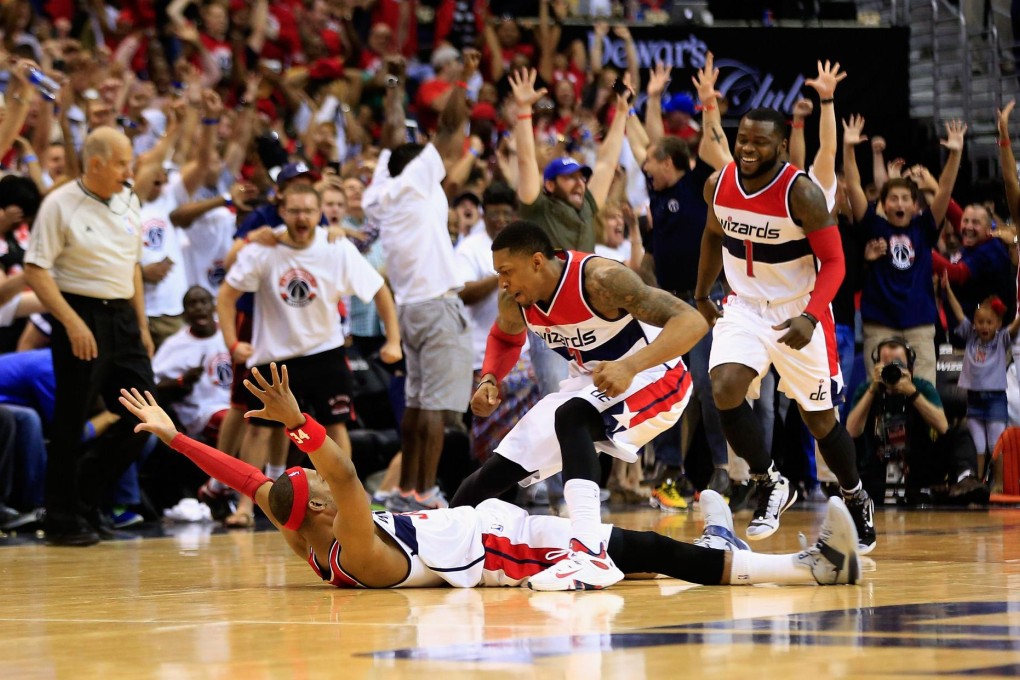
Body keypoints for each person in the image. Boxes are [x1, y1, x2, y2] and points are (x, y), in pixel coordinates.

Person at [117, 367, 862, 590]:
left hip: (485, 527)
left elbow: (251, 479)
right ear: (314, 510)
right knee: (640, 551)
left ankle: (732, 539)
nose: (308, 476)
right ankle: (804, 569)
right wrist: (299, 422)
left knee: (629, 554)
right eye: (308, 482)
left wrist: (175, 435)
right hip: (502, 553)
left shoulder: (298, 528)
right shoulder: (355, 549)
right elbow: (338, 470)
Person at [450, 221, 707, 590]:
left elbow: (691, 321)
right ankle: (443, 543)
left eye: (507, 272)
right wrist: (490, 378)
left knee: (572, 416)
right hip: (591, 382)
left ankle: (590, 554)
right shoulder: (516, 298)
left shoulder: (601, 280)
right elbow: (505, 338)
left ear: (537, 262)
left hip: (654, 374)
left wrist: (631, 366)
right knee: (490, 476)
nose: (502, 283)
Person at [694, 107, 877, 554]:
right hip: (744, 306)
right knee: (723, 387)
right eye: (742, 141)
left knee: (819, 421)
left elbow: (835, 262)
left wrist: (811, 316)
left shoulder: (803, 194)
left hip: (799, 309)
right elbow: (713, 236)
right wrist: (702, 293)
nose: (747, 149)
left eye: (758, 143)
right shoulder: (718, 185)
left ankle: (855, 495)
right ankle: (768, 480)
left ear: (781, 146)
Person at [217, 184, 402, 527]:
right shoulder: (263, 247)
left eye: (308, 211)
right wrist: (232, 343)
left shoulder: (335, 246)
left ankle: (349, 501)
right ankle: (244, 507)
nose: (301, 218)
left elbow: (378, 289)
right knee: (258, 431)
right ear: (282, 212)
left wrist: (393, 339)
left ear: (319, 213)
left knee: (335, 427)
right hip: (272, 355)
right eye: (294, 210)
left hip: (324, 352)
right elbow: (226, 295)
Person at [24, 126, 157, 546]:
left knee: (148, 415)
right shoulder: (59, 204)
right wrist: (71, 322)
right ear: (96, 163)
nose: (129, 170)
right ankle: (63, 517)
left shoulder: (130, 198)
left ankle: (85, 498)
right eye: (122, 163)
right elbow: (36, 269)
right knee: (72, 417)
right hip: (80, 313)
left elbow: (132, 265)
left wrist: (142, 325)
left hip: (122, 317)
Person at [624, 54, 734, 509]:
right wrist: (630, 106)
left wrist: (709, 106)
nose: (644, 165)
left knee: (708, 389)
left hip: (703, 302)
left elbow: (713, 152)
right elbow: (637, 144)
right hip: (667, 305)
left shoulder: (695, 185)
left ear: (671, 162)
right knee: (668, 385)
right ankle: (669, 470)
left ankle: (723, 469)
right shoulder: (657, 189)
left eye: (652, 160)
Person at [362, 70, 473, 513]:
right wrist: (462, 82)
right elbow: (450, 127)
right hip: (436, 304)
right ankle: (423, 490)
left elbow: (390, 138)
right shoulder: (418, 180)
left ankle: (406, 489)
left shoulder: (381, 190)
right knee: (435, 410)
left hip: (409, 307)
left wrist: (392, 90)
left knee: (415, 403)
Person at [843, 116, 966, 384]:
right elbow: (852, 186)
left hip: (919, 325)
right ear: (884, 205)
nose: (900, 203)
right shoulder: (874, 226)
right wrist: (848, 148)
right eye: (893, 199)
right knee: (877, 393)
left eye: (905, 199)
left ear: (914, 205)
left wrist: (955, 153)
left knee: (924, 394)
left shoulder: (924, 227)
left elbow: (944, 189)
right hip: (879, 324)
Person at [845, 336, 988, 505]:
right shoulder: (867, 389)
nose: (892, 368)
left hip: (919, 461)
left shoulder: (921, 386)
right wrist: (872, 391)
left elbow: (943, 427)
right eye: (886, 362)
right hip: (879, 465)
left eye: (897, 362)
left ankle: (966, 480)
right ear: (876, 365)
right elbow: (851, 432)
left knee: (960, 431)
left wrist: (912, 393)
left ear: (910, 366)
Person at [945, 280, 1020, 464]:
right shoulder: (971, 337)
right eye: (980, 322)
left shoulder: (1001, 340)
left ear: (998, 323)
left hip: (995, 400)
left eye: (989, 322)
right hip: (974, 400)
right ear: (974, 324)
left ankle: (998, 484)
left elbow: (1014, 326)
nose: (984, 326)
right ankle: (978, 484)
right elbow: (958, 313)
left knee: (995, 445)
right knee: (977, 446)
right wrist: (947, 288)